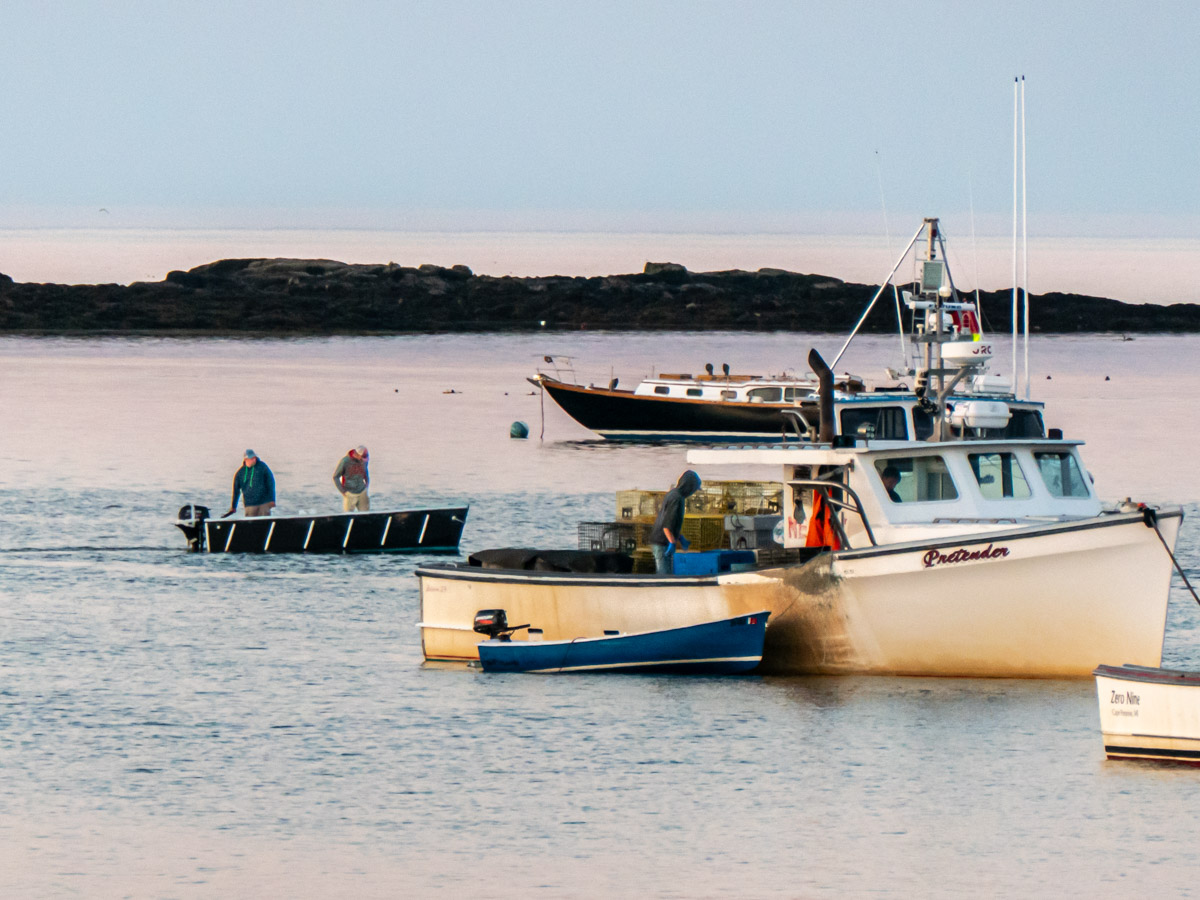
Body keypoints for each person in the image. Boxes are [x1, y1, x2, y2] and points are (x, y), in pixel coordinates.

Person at [647, 469, 701, 574]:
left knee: (666, 573)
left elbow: (672, 523)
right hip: (661, 542)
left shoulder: (673, 494)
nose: (693, 492)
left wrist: (680, 537)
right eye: (694, 489)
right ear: (689, 487)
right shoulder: (677, 498)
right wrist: (672, 542)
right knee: (664, 575)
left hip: (660, 539)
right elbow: (666, 525)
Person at [228, 449, 276, 517]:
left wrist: (272, 499)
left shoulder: (262, 467)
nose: (253, 460)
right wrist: (233, 506)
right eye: (251, 458)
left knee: (265, 522)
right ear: (245, 459)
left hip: (264, 503)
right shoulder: (240, 472)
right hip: (249, 504)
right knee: (250, 522)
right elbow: (236, 490)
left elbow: (270, 483)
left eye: (254, 458)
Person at [333, 445, 370, 511]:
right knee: (348, 515)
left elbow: (365, 472)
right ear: (358, 455)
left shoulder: (364, 461)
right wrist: (343, 491)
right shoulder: (345, 461)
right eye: (363, 457)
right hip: (349, 493)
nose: (365, 460)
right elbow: (335, 477)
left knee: (366, 515)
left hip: (362, 492)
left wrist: (367, 485)